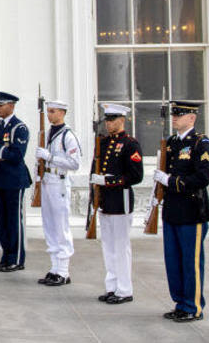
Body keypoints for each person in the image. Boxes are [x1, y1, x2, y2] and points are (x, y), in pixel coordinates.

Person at [155, 100, 209, 322]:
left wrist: (171, 181)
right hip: (172, 210)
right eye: (174, 115)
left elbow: (203, 177)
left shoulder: (201, 143)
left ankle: (193, 306)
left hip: (192, 211)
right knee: (174, 260)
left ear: (192, 118)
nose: (174, 118)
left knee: (191, 261)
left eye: (179, 115)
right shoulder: (171, 143)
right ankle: (180, 302)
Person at [90, 104, 143, 304]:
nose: (108, 123)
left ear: (122, 120)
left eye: (112, 119)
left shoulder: (130, 144)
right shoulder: (102, 143)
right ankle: (112, 286)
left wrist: (109, 181)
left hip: (120, 200)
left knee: (121, 247)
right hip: (104, 201)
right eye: (107, 120)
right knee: (108, 247)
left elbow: (136, 176)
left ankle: (124, 289)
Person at [34, 100, 81, 286]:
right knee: (49, 225)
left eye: (53, 111)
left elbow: (75, 163)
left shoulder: (68, 136)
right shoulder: (46, 134)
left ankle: (63, 270)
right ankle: (54, 267)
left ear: (62, 113)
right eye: (48, 111)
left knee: (61, 226)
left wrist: (51, 157)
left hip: (59, 181)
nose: (49, 115)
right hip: (46, 180)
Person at [0, 91, 30, 272]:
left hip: (14, 179)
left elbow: (17, 155)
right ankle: (6, 256)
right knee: (3, 220)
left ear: (11, 106)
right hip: (0, 178)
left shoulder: (19, 128)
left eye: (1, 105)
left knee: (13, 220)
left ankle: (17, 258)